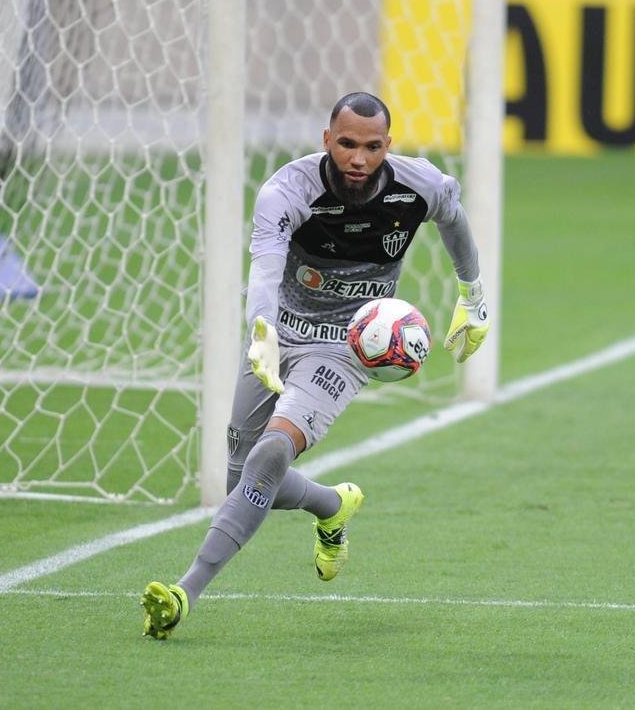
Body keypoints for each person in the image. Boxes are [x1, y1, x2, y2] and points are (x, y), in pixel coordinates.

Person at [140, 92, 489, 639]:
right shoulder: (287, 191)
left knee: (273, 451)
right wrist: (261, 331)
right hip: (277, 336)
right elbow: (264, 268)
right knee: (244, 478)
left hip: (350, 346)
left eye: (372, 147)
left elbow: (453, 216)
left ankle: (185, 592)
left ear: (387, 147)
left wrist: (473, 295)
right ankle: (331, 504)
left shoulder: (415, 185)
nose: (358, 158)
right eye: (347, 143)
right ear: (327, 139)